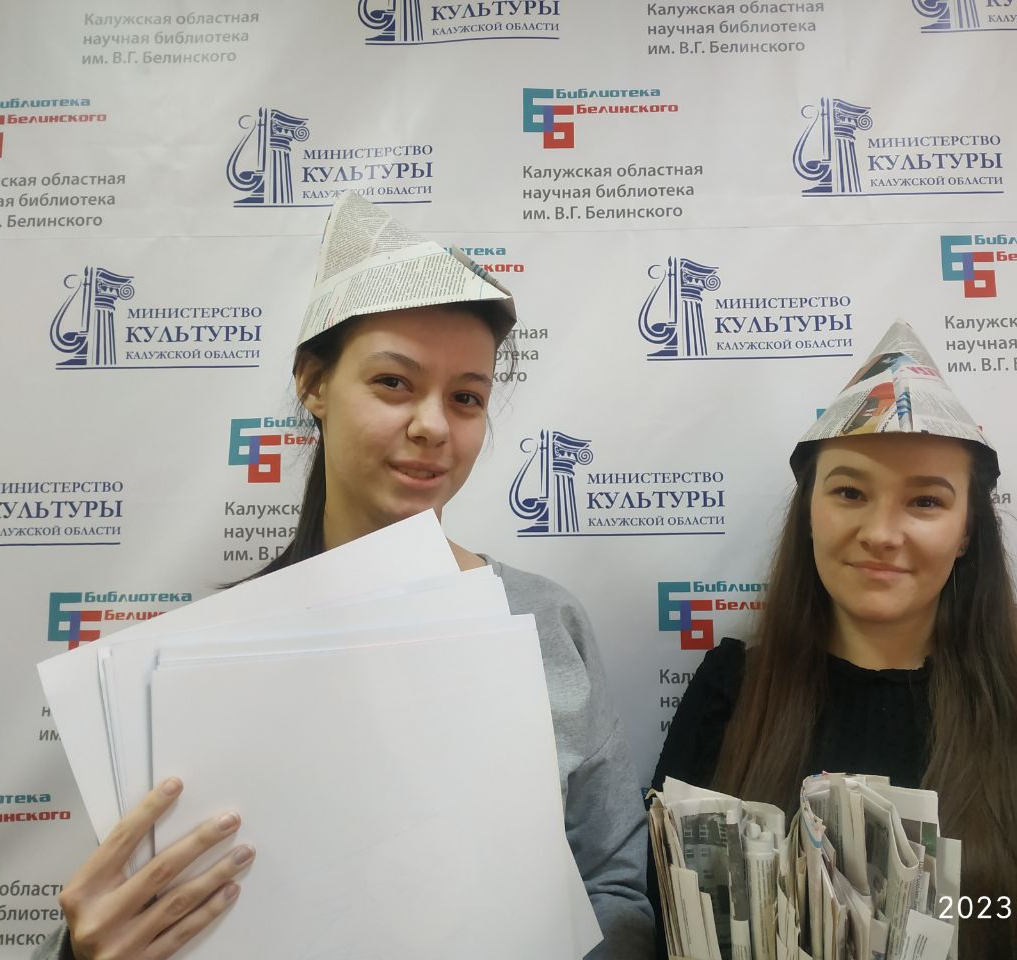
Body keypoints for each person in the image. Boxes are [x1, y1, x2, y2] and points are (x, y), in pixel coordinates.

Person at [34, 192, 653, 960]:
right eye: (394, 383)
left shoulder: (543, 620)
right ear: (313, 383)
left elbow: (617, 890)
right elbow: (131, 910)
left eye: (466, 398)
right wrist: (81, 953)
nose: (432, 425)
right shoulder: (195, 665)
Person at [650, 322, 1017, 960]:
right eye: (850, 492)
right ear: (810, 513)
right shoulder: (729, 697)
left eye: (926, 502)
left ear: (966, 533)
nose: (882, 533)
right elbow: (661, 920)